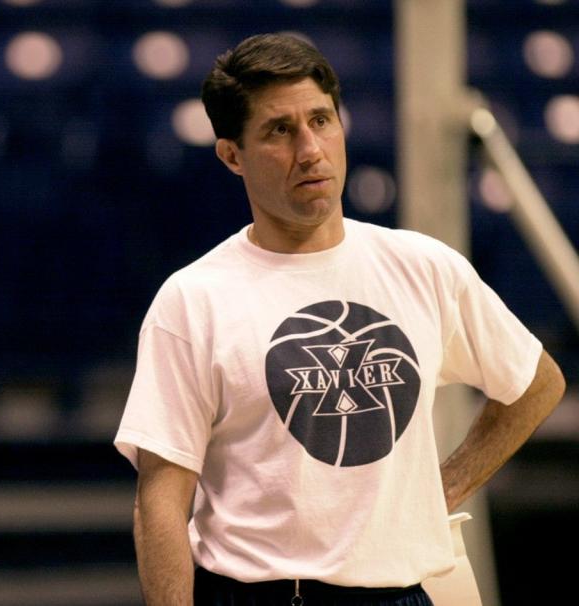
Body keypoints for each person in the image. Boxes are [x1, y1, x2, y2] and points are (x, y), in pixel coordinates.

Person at [114, 33, 565, 606]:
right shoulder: (194, 298)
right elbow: (160, 501)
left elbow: (536, 383)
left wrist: (444, 487)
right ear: (232, 155)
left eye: (321, 120)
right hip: (262, 593)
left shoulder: (422, 266)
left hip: (404, 592)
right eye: (280, 130)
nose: (310, 149)